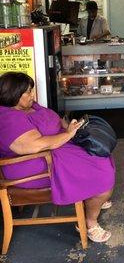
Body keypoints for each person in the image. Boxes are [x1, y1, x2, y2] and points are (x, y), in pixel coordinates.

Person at [0, 72, 115, 243]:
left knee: (100, 152)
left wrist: (70, 126)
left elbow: (55, 120)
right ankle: (90, 221)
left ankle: (94, 197)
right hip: (34, 167)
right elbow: (36, 145)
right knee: (101, 168)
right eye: (28, 92)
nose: (33, 95)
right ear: (12, 94)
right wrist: (69, 134)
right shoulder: (8, 118)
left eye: (32, 90)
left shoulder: (29, 106)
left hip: (55, 152)